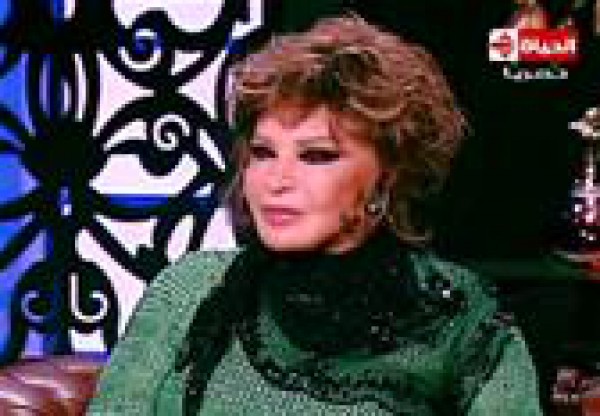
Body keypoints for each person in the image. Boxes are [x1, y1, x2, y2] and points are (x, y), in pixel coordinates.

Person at [86, 15, 543, 415]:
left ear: (388, 176)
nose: (276, 180)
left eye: (317, 156)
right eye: (263, 153)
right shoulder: (189, 290)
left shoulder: (459, 319)